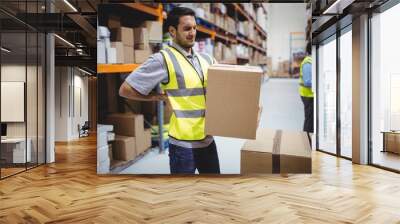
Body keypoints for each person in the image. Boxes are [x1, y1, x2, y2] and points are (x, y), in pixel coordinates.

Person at [119, 7, 220, 174]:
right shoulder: (164, 59)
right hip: (183, 146)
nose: (192, 33)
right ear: (172, 31)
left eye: (195, 28)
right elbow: (125, 89)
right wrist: (157, 97)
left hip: (208, 141)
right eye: (187, 28)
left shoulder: (207, 59)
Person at [299, 42, 313, 147]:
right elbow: (308, 82)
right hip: (308, 95)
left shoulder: (311, 61)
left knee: (311, 119)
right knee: (309, 120)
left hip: (310, 95)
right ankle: (306, 142)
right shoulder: (308, 62)